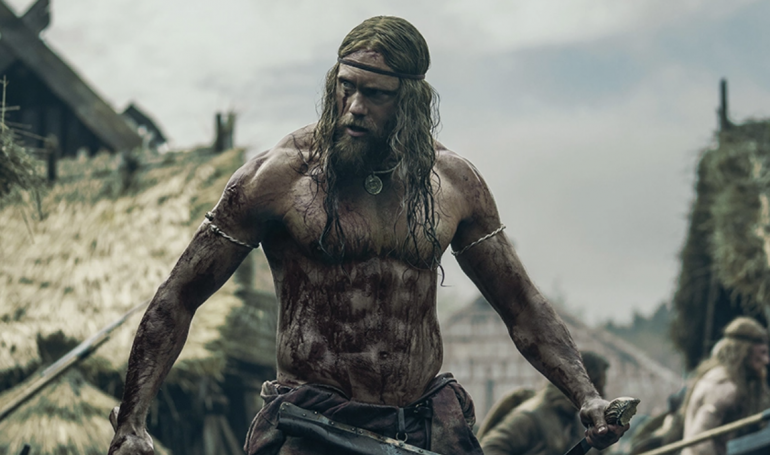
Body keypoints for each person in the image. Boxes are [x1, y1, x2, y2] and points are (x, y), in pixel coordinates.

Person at [108, 16, 629, 455]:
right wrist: (132, 422)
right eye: (346, 86)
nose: (355, 105)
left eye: (375, 94)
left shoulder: (453, 184)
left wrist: (586, 397)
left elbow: (523, 307)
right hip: (314, 425)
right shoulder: (279, 178)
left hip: (419, 424)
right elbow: (178, 297)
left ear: (410, 103)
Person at [478, 351, 610, 455]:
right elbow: (488, 449)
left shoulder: (574, 422)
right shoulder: (530, 417)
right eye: (598, 388)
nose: (602, 395)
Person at [680, 316, 770, 455]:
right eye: (762, 353)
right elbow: (699, 440)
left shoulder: (730, 379)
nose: (766, 360)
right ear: (744, 351)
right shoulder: (725, 387)